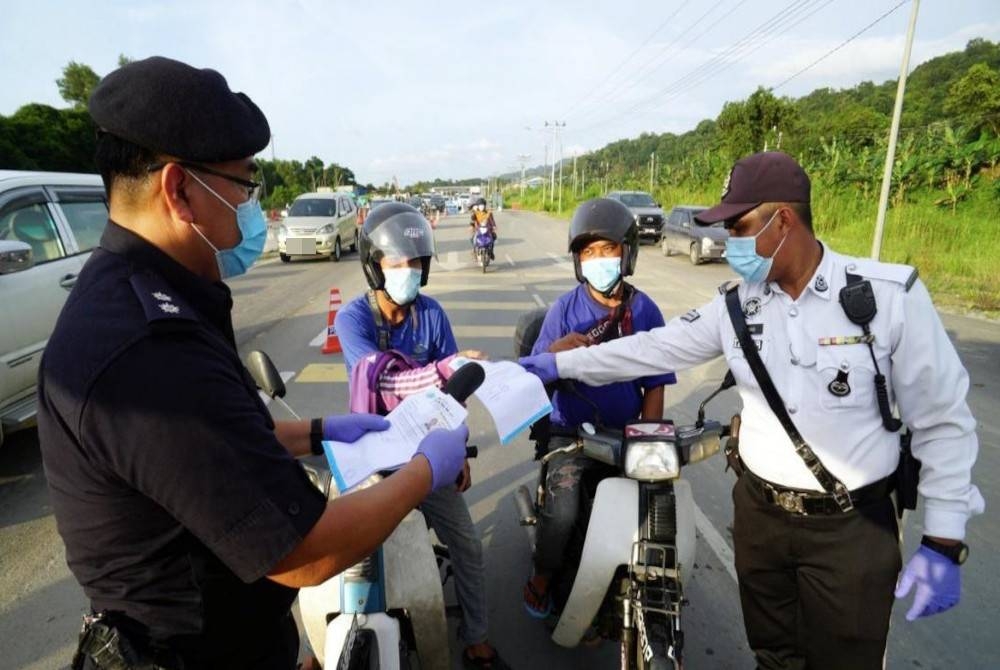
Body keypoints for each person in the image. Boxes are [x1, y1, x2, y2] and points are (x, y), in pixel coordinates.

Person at [36, 56, 468, 670]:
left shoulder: (152, 294)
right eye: (242, 184)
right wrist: (425, 470)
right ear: (179, 190)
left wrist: (317, 431)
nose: (249, 202)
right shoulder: (147, 350)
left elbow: (220, 444)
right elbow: (305, 554)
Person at [519, 151, 984, 670]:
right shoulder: (736, 305)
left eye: (739, 227)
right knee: (773, 656)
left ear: (782, 220)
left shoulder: (888, 297)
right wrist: (554, 364)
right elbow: (652, 349)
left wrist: (944, 538)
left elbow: (943, 422)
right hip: (761, 520)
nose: (729, 242)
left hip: (851, 529)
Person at [334, 202, 508, 670]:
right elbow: (383, 382)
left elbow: (455, 397)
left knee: (467, 546)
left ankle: (476, 640)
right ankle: (323, 644)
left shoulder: (431, 314)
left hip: (425, 455)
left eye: (415, 262)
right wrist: (444, 370)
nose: (408, 271)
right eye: (397, 261)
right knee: (344, 555)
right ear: (374, 265)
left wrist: (459, 452)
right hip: (372, 456)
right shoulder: (352, 319)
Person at [521, 198, 676, 618]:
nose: (598, 260)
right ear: (578, 261)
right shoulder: (563, 311)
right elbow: (533, 374)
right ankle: (542, 578)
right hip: (571, 434)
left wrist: (648, 441)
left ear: (627, 254)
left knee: (654, 507)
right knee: (564, 512)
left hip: (625, 436)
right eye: (588, 252)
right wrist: (555, 351)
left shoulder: (644, 311)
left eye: (607, 250)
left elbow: (656, 383)